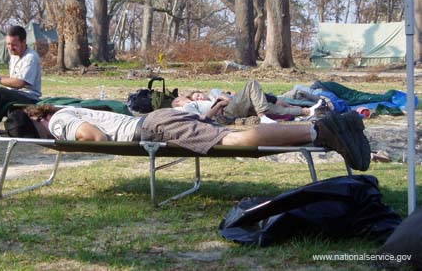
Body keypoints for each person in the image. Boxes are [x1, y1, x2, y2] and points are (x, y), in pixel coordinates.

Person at [26, 105, 370, 171]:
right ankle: (322, 132)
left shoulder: (57, 121)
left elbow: (95, 137)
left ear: (37, 123)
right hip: (155, 121)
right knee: (227, 137)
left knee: (229, 141)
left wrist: (63, 145)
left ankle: (321, 130)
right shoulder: (68, 108)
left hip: (151, 128)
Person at [172, 80, 324, 124]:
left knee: (267, 106)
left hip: (231, 109)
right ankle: (263, 116)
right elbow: (204, 120)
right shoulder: (187, 107)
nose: (181, 98)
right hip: (225, 113)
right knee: (251, 83)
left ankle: (307, 112)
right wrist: (218, 104)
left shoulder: (205, 98)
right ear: (178, 103)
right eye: (177, 100)